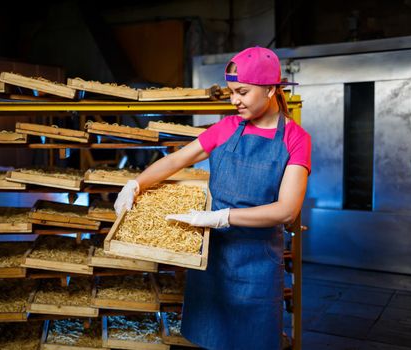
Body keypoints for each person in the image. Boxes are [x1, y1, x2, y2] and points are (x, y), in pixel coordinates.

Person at [114, 46, 311, 350]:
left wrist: (221, 217)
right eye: (232, 92)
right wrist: (135, 184)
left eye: (242, 92)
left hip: (256, 262)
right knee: (211, 339)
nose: (234, 100)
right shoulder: (227, 127)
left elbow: (287, 210)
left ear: (270, 89)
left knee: (254, 341)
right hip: (213, 258)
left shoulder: (295, 138)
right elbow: (176, 160)